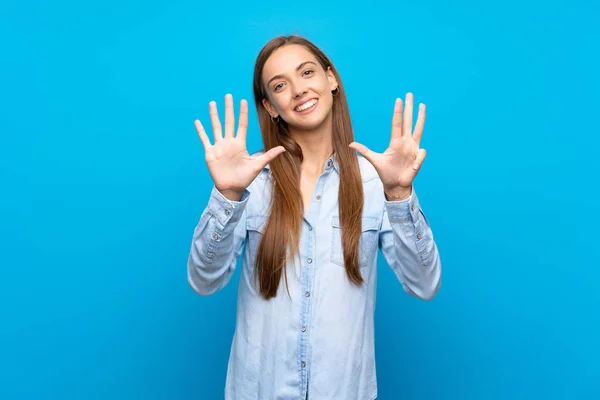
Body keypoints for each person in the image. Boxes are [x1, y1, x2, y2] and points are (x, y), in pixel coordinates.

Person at [188, 34, 442, 400]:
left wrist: (400, 194)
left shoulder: (375, 181)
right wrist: (228, 195)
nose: (298, 90)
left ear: (330, 78)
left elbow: (425, 284)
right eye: (280, 85)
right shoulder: (252, 183)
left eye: (306, 72)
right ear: (270, 106)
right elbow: (202, 281)